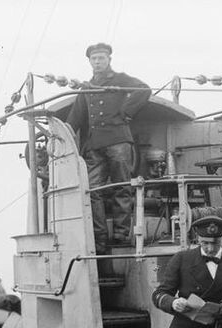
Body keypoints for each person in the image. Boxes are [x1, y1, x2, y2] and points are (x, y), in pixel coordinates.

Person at [66, 43, 151, 255]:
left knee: (122, 186)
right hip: (95, 146)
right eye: (94, 58)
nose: (98, 62)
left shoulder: (120, 79)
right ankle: (99, 237)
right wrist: (63, 135)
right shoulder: (86, 87)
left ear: (109, 60)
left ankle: (122, 234)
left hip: (118, 141)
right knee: (92, 190)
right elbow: (75, 117)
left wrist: (126, 114)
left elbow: (144, 90)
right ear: (90, 62)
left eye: (101, 58)